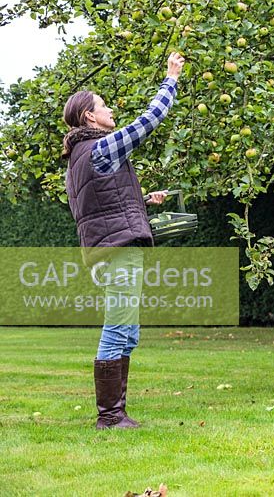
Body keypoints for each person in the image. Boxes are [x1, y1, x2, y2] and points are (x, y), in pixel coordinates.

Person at [62, 52, 185, 429]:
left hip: (106, 253)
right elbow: (148, 122)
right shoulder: (100, 148)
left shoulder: (77, 161)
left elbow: (100, 209)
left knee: (127, 331)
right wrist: (171, 79)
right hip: (119, 255)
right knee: (118, 328)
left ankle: (118, 412)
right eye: (103, 106)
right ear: (89, 117)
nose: (110, 110)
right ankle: (110, 417)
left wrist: (144, 201)